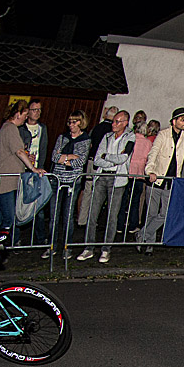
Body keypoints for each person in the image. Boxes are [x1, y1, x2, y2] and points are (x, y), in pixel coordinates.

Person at [141, 107, 184, 255]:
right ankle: (149, 244)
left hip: (171, 181)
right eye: (182, 119)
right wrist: (150, 171)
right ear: (174, 121)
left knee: (165, 213)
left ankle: (141, 235)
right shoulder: (163, 134)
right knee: (151, 213)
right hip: (156, 179)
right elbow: (153, 153)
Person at [77, 110, 134, 264]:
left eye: (117, 121)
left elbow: (124, 158)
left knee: (112, 216)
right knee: (93, 213)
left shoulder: (130, 137)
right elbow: (96, 159)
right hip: (102, 176)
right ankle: (88, 247)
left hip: (117, 179)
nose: (113, 124)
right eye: (113, 121)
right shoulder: (107, 136)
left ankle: (106, 249)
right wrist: (109, 160)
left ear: (124, 123)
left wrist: (106, 157)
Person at [0, 99, 46, 233]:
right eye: (25, 115)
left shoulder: (5, 128)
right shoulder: (11, 129)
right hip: (4, 184)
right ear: (18, 114)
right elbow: (19, 151)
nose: (26, 118)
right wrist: (33, 168)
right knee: (8, 218)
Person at [42, 110, 91, 259]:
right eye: (70, 121)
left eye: (75, 121)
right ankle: (51, 246)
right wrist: (68, 158)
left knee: (68, 216)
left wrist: (63, 158)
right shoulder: (62, 138)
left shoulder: (85, 140)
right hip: (57, 179)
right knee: (53, 215)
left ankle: (67, 247)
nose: (71, 125)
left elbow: (80, 161)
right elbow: (54, 157)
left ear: (81, 122)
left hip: (72, 181)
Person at [19, 99, 48, 171]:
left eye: (39, 110)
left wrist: (40, 167)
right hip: (22, 166)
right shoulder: (21, 128)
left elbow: (43, 149)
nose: (37, 112)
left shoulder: (42, 128)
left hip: (37, 166)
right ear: (28, 112)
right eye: (35, 110)